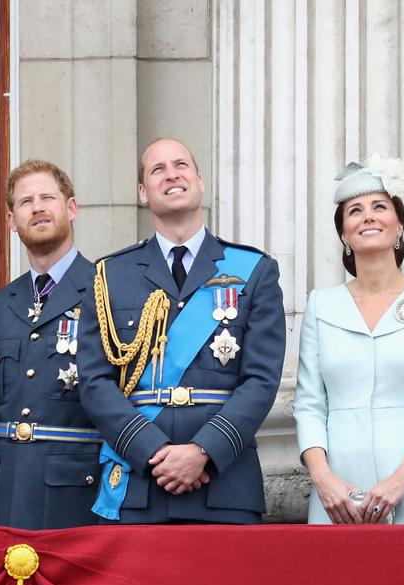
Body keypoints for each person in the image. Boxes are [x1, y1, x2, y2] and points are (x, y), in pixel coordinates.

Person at [77, 138, 285, 524]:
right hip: (140, 482)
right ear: (143, 192)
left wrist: (203, 450)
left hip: (224, 485)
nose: (171, 174)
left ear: (200, 181)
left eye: (181, 165)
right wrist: (152, 450)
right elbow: (94, 382)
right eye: (157, 170)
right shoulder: (109, 275)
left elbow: (261, 380)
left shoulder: (253, 269)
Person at [294, 157, 404, 524]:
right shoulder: (321, 305)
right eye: (355, 210)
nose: (368, 216)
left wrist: (400, 481)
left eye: (380, 207)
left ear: (398, 225)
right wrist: (324, 480)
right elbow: (308, 405)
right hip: (335, 491)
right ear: (344, 234)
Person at [0, 160, 103, 529]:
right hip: (6, 490)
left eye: (48, 197)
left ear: (72, 208)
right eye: (26, 202)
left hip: (78, 491)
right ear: (12, 221)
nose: (38, 207)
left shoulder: (106, 289)